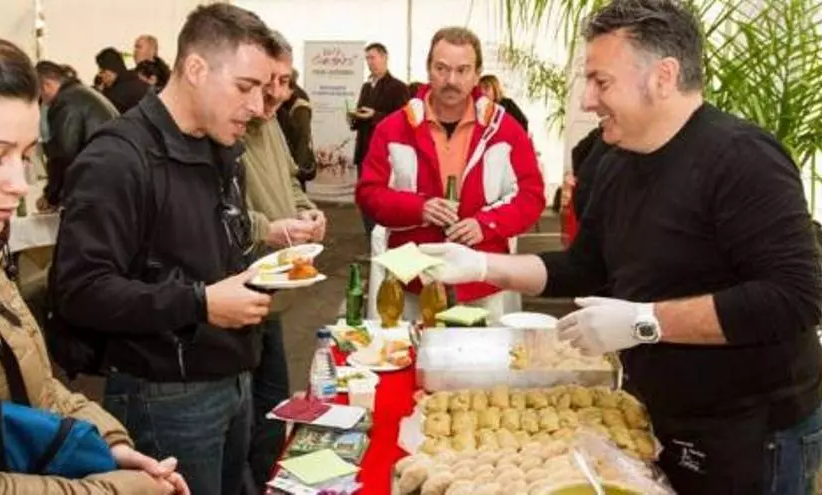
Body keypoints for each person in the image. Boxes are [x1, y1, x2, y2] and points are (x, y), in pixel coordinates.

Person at [418, 1, 822, 493]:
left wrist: (645, 322)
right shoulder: (616, 160)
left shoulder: (742, 158)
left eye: (601, 81)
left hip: (753, 433)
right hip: (658, 415)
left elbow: (795, 297)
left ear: (663, 77)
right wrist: (484, 265)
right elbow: (584, 266)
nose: (588, 100)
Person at [0, 14, 186, 495]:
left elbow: (35, 387)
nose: (18, 184)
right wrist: (127, 489)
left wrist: (109, 445)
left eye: (25, 156)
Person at [53, 4, 280, 494]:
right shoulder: (118, 158)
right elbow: (80, 290)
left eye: (263, 90)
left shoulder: (222, 148)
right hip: (165, 394)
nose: (258, 106)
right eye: (245, 87)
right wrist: (200, 303)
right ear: (195, 69)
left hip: (233, 376)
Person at [355, 27, 545, 322]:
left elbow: (532, 197)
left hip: (482, 280)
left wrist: (486, 224)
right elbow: (368, 193)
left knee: (483, 352)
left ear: (477, 74)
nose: (451, 80)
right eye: (442, 68)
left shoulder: (505, 129)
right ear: (428, 69)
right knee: (411, 350)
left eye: (462, 70)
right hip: (413, 279)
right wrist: (419, 208)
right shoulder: (392, 128)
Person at [241, 31, 326, 490]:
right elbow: (221, 212)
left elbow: (291, 182)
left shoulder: (270, 124)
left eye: (285, 81)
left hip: (273, 291)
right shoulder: (232, 127)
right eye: (266, 80)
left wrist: (307, 211)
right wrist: (267, 229)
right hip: (238, 291)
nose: (275, 93)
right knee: (246, 415)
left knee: (273, 408)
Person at [35, 60, 119, 211]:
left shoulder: (65, 102)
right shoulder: (83, 92)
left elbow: (63, 154)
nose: (43, 102)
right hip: (114, 176)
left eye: (40, 95)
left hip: (96, 184)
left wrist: (51, 196)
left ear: (46, 86)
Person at [350, 42, 410, 237]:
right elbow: (361, 115)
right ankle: (371, 240)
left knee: (382, 200)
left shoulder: (398, 87)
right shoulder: (366, 87)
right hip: (364, 151)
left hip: (385, 154)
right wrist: (354, 117)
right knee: (365, 200)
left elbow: (403, 120)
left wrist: (374, 115)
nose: (370, 62)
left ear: (385, 58)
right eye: (367, 58)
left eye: (373, 57)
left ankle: (383, 241)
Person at [276, 69, 315, 191]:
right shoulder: (283, 102)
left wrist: (298, 170)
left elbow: (302, 139)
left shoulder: (300, 104)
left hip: (294, 163)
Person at [95, 47, 149, 113]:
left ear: (112, 70)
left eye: (102, 71)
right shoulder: (139, 82)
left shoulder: (116, 94)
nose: (101, 75)